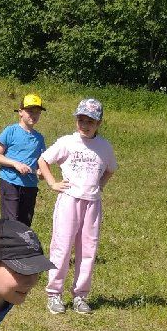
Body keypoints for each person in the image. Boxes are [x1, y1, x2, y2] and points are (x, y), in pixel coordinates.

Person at [38, 98, 118, 315]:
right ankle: (54, 294)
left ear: (99, 123)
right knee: (62, 248)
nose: (84, 125)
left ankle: (80, 296)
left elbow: (110, 168)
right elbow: (43, 160)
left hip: (92, 204)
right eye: (81, 120)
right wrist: (53, 182)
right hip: (69, 201)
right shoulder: (68, 142)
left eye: (90, 121)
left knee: (88, 250)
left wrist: (100, 186)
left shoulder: (104, 147)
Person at [0, 93, 47, 226]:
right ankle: (7, 246)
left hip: (30, 185)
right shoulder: (10, 131)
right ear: (20, 112)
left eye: (37, 112)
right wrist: (15, 164)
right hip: (10, 181)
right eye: (30, 111)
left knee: (25, 223)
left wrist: (41, 173)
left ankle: (21, 247)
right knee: (10, 221)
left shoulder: (39, 138)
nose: (33, 115)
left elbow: (41, 163)